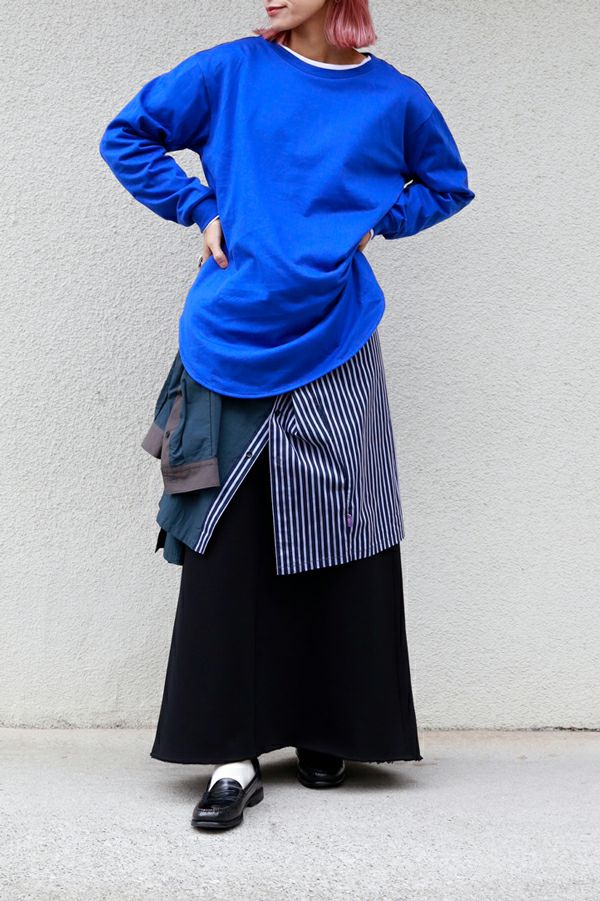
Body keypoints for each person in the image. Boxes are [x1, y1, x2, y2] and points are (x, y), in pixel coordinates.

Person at [98, 0, 475, 831]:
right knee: (228, 542)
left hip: (339, 338)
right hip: (229, 339)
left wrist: (376, 222)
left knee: (342, 529)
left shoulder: (394, 98)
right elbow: (127, 135)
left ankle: (326, 730)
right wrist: (198, 208)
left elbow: (447, 183)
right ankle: (231, 754)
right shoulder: (228, 71)